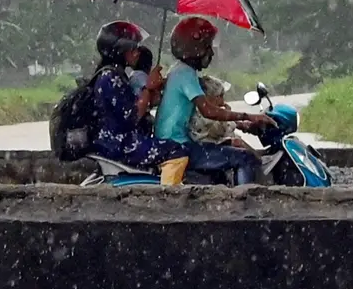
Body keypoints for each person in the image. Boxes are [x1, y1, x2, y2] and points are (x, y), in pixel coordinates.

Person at [154, 16, 274, 186]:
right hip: (178, 147)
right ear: (196, 48)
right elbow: (209, 111)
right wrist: (249, 116)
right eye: (207, 47)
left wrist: (243, 123)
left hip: (174, 144)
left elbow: (208, 110)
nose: (211, 52)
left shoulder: (179, 71)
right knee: (245, 158)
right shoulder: (185, 74)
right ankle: (246, 204)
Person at [89, 21, 190, 185]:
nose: (137, 53)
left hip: (115, 142)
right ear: (120, 51)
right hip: (121, 145)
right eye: (133, 48)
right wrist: (148, 88)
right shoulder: (110, 77)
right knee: (177, 151)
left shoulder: (114, 74)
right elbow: (133, 116)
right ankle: (170, 198)